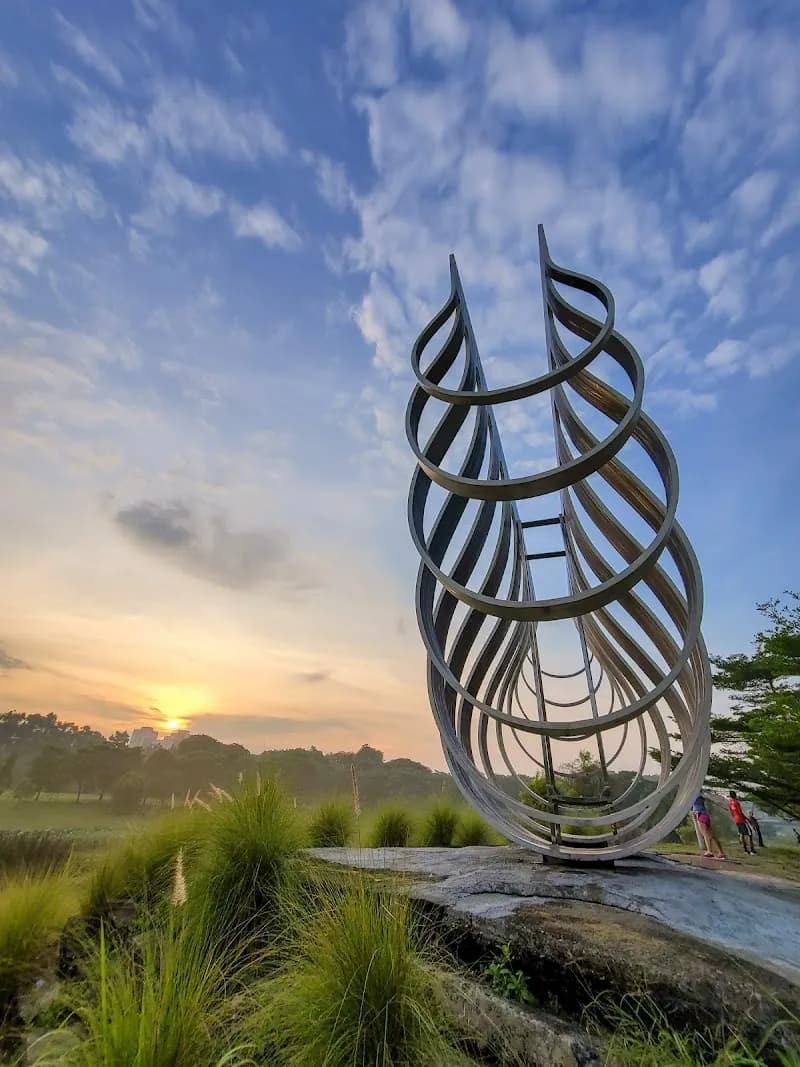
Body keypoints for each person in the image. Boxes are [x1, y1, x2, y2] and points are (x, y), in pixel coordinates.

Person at [691, 794, 725, 859]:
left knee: (705, 834)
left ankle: (709, 851)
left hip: (700, 814)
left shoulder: (695, 794)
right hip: (704, 814)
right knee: (711, 834)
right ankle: (721, 852)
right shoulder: (700, 794)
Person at [728, 791, 755, 855]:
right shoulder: (737, 803)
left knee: (742, 834)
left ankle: (745, 850)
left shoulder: (729, 803)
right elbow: (740, 812)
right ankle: (751, 850)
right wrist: (746, 818)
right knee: (749, 833)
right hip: (741, 820)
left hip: (736, 820)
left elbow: (731, 812)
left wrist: (735, 818)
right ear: (735, 795)